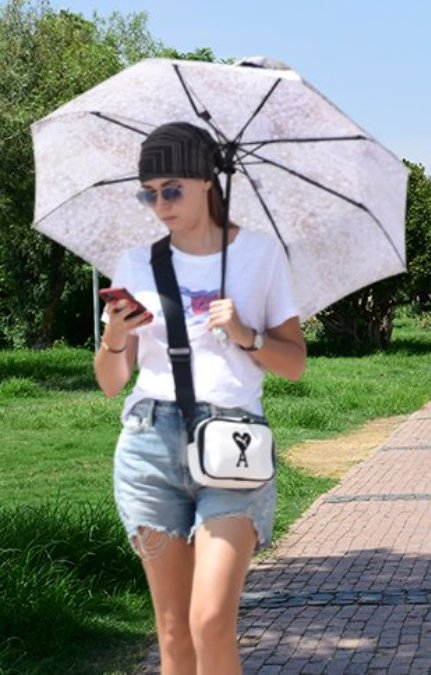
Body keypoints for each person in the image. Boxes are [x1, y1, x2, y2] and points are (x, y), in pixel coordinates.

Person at [93, 122, 306, 674]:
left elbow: (294, 364)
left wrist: (246, 335)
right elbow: (111, 381)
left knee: (210, 621)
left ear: (207, 182)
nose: (160, 204)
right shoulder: (138, 263)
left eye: (171, 190)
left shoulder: (260, 256)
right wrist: (115, 335)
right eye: (149, 194)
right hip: (149, 445)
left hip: (233, 443)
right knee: (173, 634)